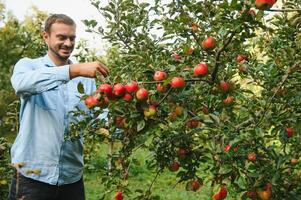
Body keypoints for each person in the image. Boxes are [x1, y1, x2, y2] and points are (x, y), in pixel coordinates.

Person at [8, 14, 108, 200]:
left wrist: (124, 116)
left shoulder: (86, 81)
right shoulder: (28, 66)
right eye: (62, 37)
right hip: (32, 177)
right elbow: (21, 84)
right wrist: (73, 70)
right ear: (46, 36)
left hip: (72, 178)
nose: (68, 43)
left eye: (72, 38)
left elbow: (98, 119)